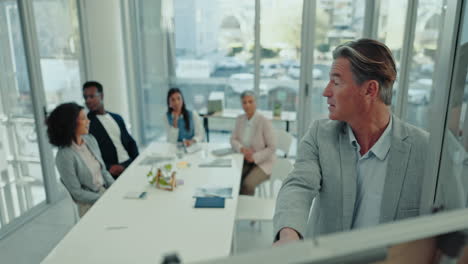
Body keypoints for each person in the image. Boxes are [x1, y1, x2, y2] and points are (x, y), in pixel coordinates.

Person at [273, 39, 429, 245]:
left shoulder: (425, 149)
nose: (326, 91)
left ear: (370, 90)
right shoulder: (320, 135)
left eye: (336, 82)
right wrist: (288, 234)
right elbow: (298, 185)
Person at [46, 102, 115, 217]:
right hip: (89, 204)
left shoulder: (90, 140)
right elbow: (77, 193)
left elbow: (103, 171)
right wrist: (104, 198)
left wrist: (115, 188)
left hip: (103, 193)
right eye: (83, 119)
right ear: (71, 124)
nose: (88, 121)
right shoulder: (64, 156)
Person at [83, 81, 139, 179]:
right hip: (111, 170)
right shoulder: (87, 124)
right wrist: (108, 167)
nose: (88, 101)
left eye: (91, 96)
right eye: (85, 97)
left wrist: (137, 161)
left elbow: (130, 142)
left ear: (101, 96)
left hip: (129, 163)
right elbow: (88, 154)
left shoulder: (117, 117)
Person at [230, 90, 276, 195]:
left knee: (248, 184)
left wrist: (254, 157)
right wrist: (241, 148)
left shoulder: (264, 121)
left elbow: (272, 147)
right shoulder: (240, 119)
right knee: (234, 177)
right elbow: (233, 139)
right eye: (244, 102)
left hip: (264, 162)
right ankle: (235, 205)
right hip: (245, 159)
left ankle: (246, 209)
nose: (247, 105)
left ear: (256, 103)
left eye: (250, 102)